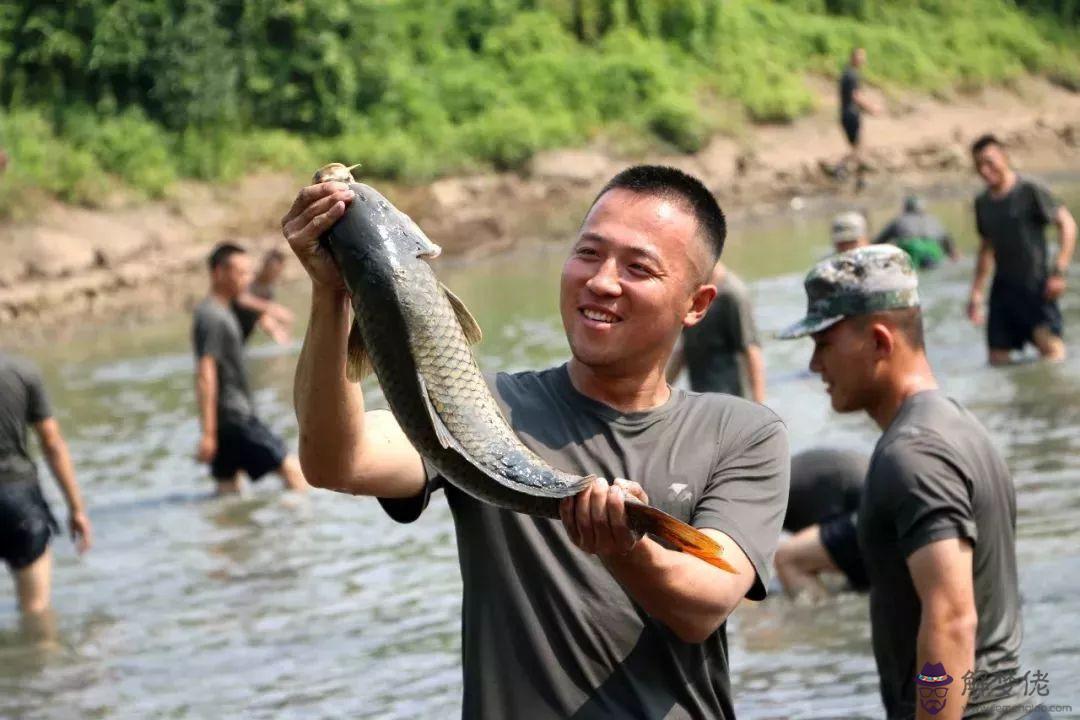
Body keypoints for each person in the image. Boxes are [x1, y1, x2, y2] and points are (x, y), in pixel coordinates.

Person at [282, 165, 790, 718]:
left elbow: (702, 606)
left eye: (638, 267)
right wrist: (331, 293)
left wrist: (627, 545)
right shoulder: (483, 406)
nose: (601, 281)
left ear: (697, 303)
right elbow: (339, 460)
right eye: (588, 253)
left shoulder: (743, 434)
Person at [779, 245, 1041, 720]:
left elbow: (952, 620)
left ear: (880, 342)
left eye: (824, 344)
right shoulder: (957, 425)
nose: (816, 365)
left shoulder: (913, 455)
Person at [192, 243, 307, 495]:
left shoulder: (222, 311)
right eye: (240, 273)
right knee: (294, 473)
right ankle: (299, 531)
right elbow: (205, 373)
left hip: (225, 421)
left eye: (248, 272)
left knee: (228, 491)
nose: (246, 279)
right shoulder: (212, 316)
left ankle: (232, 535)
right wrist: (208, 433)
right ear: (219, 273)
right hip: (235, 417)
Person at [967, 134, 1076, 365]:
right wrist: (976, 293)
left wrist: (1059, 272)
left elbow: (1067, 225)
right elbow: (986, 248)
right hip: (1003, 290)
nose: (985, 170)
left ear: (1004, 157)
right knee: (996, 361)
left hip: (1036, 286)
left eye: (989, 162)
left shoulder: (1030, 190)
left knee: (1052, 353)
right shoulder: (982, 203)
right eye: (979, 166)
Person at [0, 352, 92, 615]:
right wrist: (77, 509)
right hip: (20, 501)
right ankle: (41, 654)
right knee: (36, 610)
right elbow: (52, 443)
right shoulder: (23, 371)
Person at [666, 260, 766, 402]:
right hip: (702, 399)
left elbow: (752, 350)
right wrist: (659, 390)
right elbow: (685, 350)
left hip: (732, 399)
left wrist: (759, 406)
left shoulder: (732, 295)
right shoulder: (691, 293)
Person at [775, 448, 869, 598]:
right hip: (885, 503)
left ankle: (824, 618)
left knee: (786, 559)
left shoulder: (746, 502)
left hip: (870, 516)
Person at [838, 47, 881, 191]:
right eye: (860, 57)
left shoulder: (847, 73)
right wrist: (871, 108)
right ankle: (841, 167)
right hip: (851, 115)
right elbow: (856, 97)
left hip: (846, 114)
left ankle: (859, 180)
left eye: (863, 57)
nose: (863, 60)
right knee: (859, 148)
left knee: (858, 148)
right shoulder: (852, 75)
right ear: (853, 58)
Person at [875, 195, 958, 269]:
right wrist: (952, 254)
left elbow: (880, 240)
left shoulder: (899, 220)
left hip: (912, 251)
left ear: (906, 207)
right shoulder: (933, 220)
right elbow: (946, 239)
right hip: (933, 250)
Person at [232, 248, 294, 344]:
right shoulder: (248, 278)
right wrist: (272, 308)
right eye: (273, 270)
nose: (275, 275)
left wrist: (276, 332)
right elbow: (240, 298)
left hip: (243, 334)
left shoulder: (269, 289)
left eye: (278, 271)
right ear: (265, 265)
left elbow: (262, 317)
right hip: (230, 325)